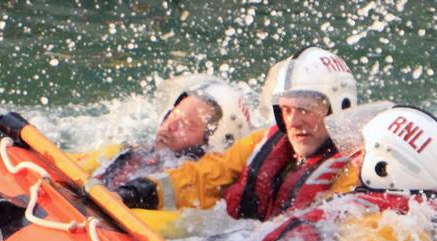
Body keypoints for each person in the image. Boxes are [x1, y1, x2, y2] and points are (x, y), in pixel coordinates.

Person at [115, 46, 358, 218]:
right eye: (286, 108)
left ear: (340, 107)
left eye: (306, 108)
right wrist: (138, 192)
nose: (294, 121)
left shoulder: (358, 172)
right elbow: (203, 177)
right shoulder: (262, 142)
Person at [250, 103, 437, 241]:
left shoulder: (385, 230)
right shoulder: (413, 217)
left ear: (383, 167)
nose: (355, 159)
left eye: (363, 152)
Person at [73, 79, 252, 191]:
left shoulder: (199, 198)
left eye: (187, 124)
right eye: (172, 115)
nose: (171, 126)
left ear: (216, 142)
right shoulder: (129, 153)